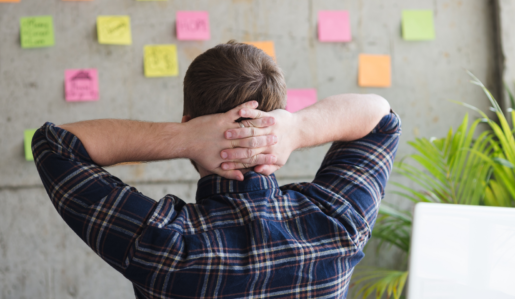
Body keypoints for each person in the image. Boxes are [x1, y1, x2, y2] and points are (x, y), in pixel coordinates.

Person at [32, 41, 401, 299]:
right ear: (277, 121)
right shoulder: (335, 223)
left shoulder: (162, 244)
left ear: (189, 121)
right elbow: (381, 119)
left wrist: (182, 137)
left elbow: (55, 144)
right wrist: (298, 129)